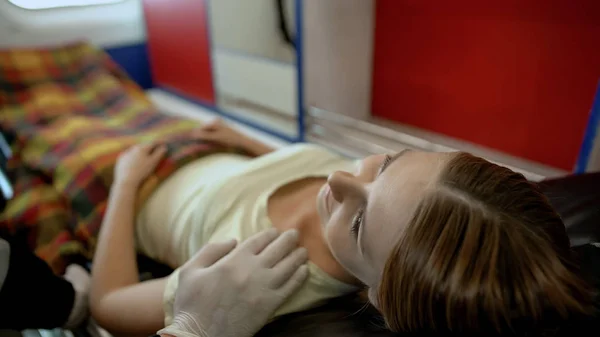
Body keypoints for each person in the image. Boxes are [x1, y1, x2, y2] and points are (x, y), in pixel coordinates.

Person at [90, 119, 597, 336]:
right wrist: (242, 140)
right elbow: (329, 171)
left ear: (378, 297)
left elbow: (107, 305)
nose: (338, 179)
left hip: (134, 185)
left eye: (357, 224)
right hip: (207, 149)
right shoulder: (369, 192)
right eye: (388, 162)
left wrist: (125, 183)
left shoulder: (255, 275)